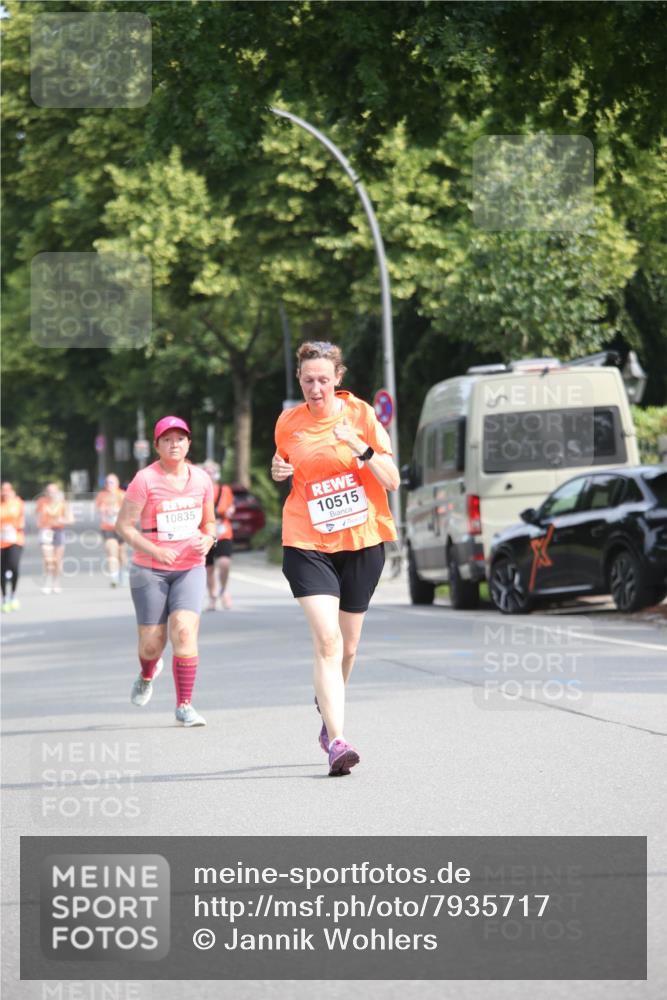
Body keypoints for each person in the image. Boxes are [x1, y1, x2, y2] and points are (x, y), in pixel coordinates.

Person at [272, 341, 400, 776]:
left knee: (348, 647)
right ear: (300, 381)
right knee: (327, 641)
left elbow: (393, 480)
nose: (316, 387)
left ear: (338, 378)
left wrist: (360, 448)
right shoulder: (288, 423)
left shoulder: (362, 416)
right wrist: (278, 471)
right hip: (307, 541)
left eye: (323, 379)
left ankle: (328, 712)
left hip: (362, 540)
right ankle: (338, 742)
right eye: (308, 380)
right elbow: (286, 464)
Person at [116, 415, 216, 727]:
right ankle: (147, 674)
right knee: (151, 644)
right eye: (167, 439)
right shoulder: (144, 480)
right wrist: (155, 549)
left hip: (190, 568)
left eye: (180, 439)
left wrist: (209, 539)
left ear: (189, 443)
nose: (175, 444)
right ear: (157, 445)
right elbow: (123, 526)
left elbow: (209, 522)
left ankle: (184, 705)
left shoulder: (201, 479)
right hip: (149, 571)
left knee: (184, 631)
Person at [202, 461, 235, 611]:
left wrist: (230, 510)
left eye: (211, 471)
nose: (209, 474)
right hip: (205, 532)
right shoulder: (199, 490)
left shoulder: (224, 489)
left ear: (217, 474)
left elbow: (230, 505)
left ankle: (223, 589)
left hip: (223, 531)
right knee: (209, 569)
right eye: (206, 471)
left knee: (224, 563)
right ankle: (213, 597)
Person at [35, 482, 71, 594]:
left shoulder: (63, 503)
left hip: (58, 531)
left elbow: (70, 519)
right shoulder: (41, 502)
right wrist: (40, 522)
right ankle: (47, 582)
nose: (51, 494)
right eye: (49, 491)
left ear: (57, 492)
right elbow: (36, 515)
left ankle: (56, 582)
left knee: (57, 560)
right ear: (46, 492)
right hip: (46, 531)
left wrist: (62, 520)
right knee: (47, 559)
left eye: (53, 491)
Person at [95, 473, 128, 586]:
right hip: (107, 527)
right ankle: (114, 578)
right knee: (111, 552)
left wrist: (117, 511)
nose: (109, 484)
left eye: (112, 482)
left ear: (117, 483)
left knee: (121, 553)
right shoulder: (101, 495)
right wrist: (105, 510)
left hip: (121, 528)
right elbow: (98, 509)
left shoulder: (122, 495)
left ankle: (123, 573)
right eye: (107, 482)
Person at [1, 482, 25, 612]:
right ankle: (4, 597)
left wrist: (15, 526)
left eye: (7, 490)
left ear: (12, 491)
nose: (5, 492)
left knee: (14, 566)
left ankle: (13, 594)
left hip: (15, 539)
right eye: (2, 490)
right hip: (1, 541)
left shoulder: (17, 502)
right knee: (2, 570)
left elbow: (22, 520)